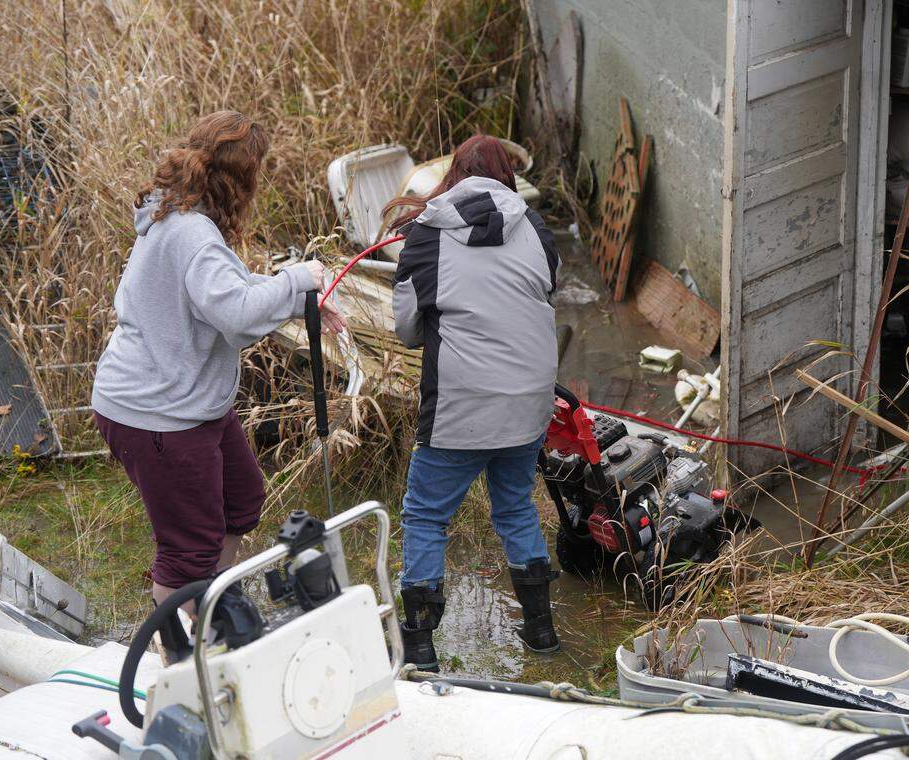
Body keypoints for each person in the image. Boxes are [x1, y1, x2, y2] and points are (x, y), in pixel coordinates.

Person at [91, 111, 346, 623]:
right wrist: (298, 278)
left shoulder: (179, 215)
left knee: (241, 500)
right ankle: (181, 657)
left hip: (190, 400)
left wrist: (301, 302)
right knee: (186, 551)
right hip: (157, 412)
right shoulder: (192, 233)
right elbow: (234, 316)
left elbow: (225, 289)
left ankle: (210, 604)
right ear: (242, 177)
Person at [386, 135, 561, 672]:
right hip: (530, 402)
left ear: (454, 175)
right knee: (514, 506)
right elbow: (542, 296)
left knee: (425, 515)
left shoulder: (424, 237)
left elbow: (408, 331)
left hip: (460, 407)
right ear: (508, 177)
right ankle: (541, 632)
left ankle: (418, 647)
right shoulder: (536, 230)